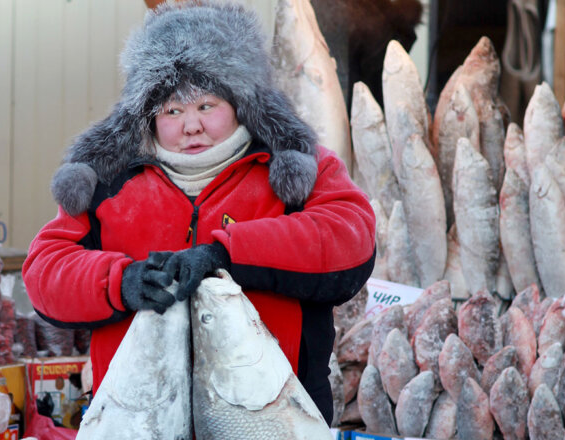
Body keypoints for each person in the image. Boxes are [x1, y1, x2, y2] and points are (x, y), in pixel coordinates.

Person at [22, 0, 375, 426]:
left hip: (271, 420)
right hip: (139, 422)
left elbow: (349, 237)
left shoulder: (294, 167)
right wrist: (122, 281)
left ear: (242, 103)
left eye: (206, 106)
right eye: (172, 110)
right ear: (148, 115)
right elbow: (45, 270)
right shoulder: (107, 183)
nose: (191, 126)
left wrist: (225, 255)